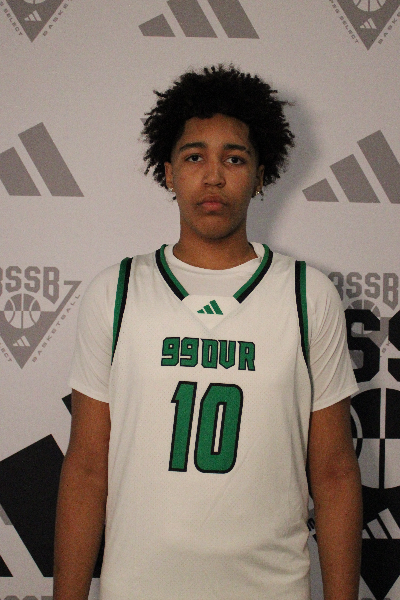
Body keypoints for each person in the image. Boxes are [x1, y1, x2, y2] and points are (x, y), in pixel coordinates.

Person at [54, 65, 362, 600]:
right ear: (168, 172)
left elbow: (334, 472)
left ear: (261, 175)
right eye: (194, 157)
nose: (214, 176)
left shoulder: (306, 294)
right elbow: (85, 470)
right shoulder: (118, 291)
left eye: (234, 158)